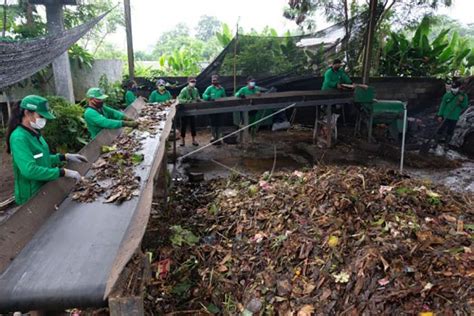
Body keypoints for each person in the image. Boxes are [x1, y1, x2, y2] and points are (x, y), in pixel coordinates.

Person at [6, 95, 88, 205]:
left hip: (44, 187)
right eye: (41, 116)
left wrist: (63, 157)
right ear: (27, 113)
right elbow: (29, 171)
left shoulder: (35, 133)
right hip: (31, 195)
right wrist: (62, 172)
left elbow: (41, 158)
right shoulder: (19, 138)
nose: (43, 120)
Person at [203, 74, 226, 144]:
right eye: (212, 80)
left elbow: (225, 97)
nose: (214, 81)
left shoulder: (221, 89)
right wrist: (208, 97)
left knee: (219, 123)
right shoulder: (209, 88)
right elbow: (204, 95)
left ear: (218, 80)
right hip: (212, 108)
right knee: (213, 123)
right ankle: (213, 136)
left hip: (220, 109)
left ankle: (218, 137)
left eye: (215, 80)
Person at [178, 76, 200, 146]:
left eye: (194, 82)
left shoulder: (196, 90)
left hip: (193, 110)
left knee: (193, 125)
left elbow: (198, 97)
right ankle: (182, 140)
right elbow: (180, 99)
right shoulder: (184, 90)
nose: (193, 83)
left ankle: (194, 140)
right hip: (185, 110)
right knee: (183, 126)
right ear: (188, 82)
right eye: (192, 81)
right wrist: (188, 101)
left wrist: (198, 99)